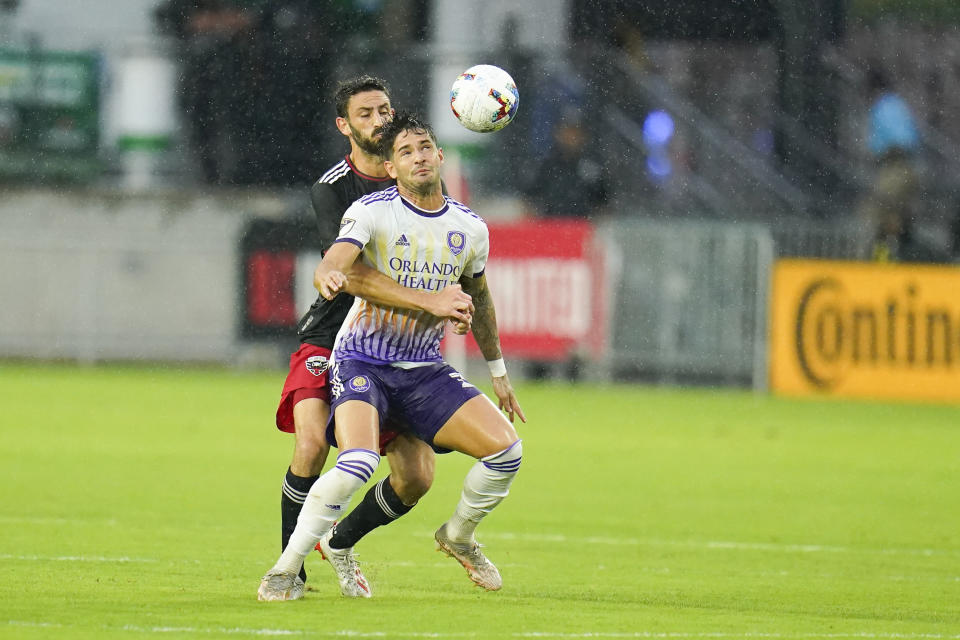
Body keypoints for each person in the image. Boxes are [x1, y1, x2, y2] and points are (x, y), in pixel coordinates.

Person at [259, 111, 526, 601]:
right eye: (405, 152)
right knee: (358, 461)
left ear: (441, 156)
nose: (418, 157)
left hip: (424, 370)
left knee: (504, 452)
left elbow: (480, 298)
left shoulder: (470, 228)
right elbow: (337, 262)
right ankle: (283, 569)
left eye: (425, 147)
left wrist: (498, 371)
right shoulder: (372, 211)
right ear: (390, 169)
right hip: (363, 360)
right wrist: (329, 275)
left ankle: (458, 536)